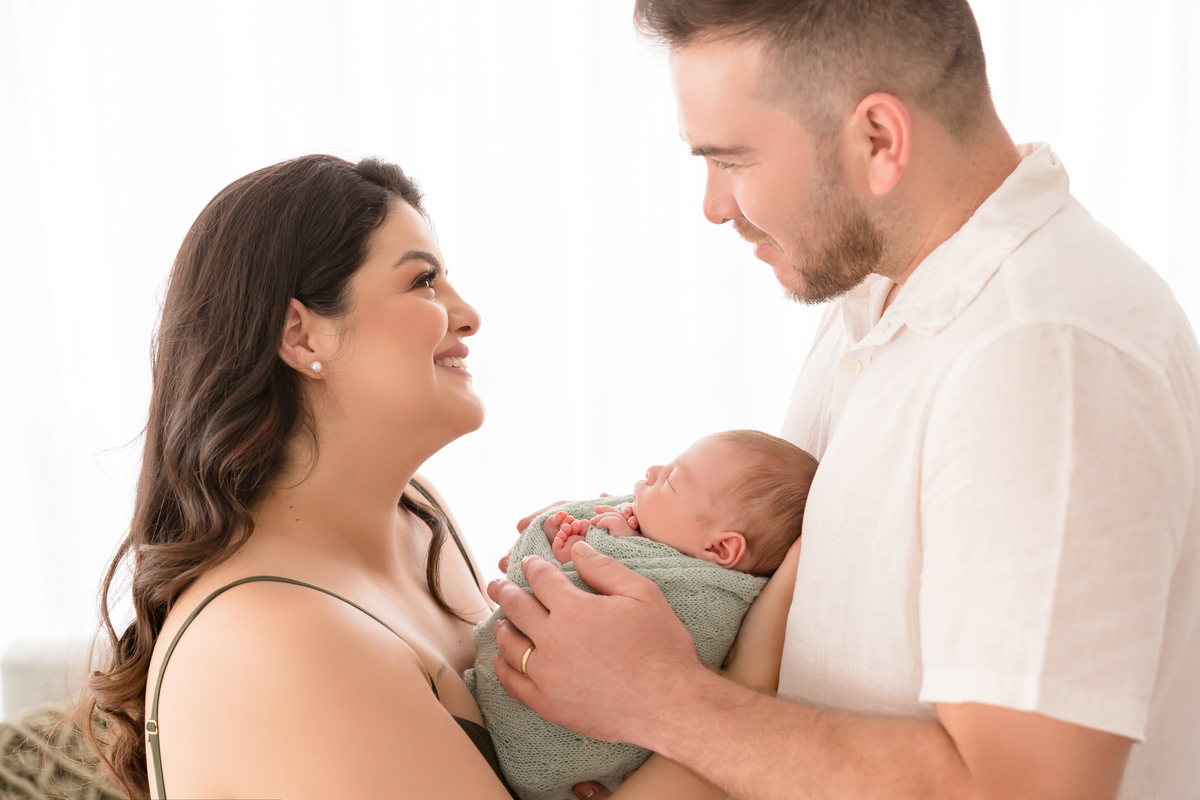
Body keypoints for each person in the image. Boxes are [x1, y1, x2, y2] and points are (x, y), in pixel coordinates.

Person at [488, 2, 1200, 799]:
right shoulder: (882, 297)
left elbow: (1026, 788)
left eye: (734, 161)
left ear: (879, 140)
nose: (715, 206)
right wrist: (635, 551)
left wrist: (663, 702)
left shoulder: (1041, 355)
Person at [77, 155, 741, 800]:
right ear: (300, 336)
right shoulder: (273, 637)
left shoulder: (416, 517)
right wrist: (742, 670)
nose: (467, 313)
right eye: (424, 281)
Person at [469, 430, 817, 800]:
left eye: (672, 481)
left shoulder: (707, 596)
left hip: (560, 748)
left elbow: (560, 592)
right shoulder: (666, 547)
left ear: (720, 548)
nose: (652, 470)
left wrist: (593, 545)